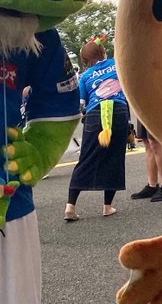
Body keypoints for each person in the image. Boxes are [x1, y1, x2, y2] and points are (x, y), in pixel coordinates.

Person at [65, 40, 131, 221]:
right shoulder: (116, 65)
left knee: (86, 158)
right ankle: (107, 206)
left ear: (85, 58)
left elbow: (81, 104)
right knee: (114, 157)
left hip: (94, 114)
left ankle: (70, 206)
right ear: (102, 51)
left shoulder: (85, 76)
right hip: (118, 111)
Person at [129, 119, 162, 202]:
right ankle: (152, 185)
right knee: (146, 141)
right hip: (144, 111)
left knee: (155, 141)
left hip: (156, 112)